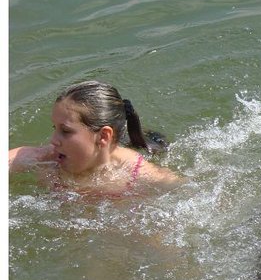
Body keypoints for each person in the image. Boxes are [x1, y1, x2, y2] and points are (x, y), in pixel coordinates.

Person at [9, 80, 181, 196]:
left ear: (103, 136)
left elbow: (185, 191)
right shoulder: (47, 160)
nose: (53, 140)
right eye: (55, 128)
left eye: (66, 131)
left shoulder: (141, 176)